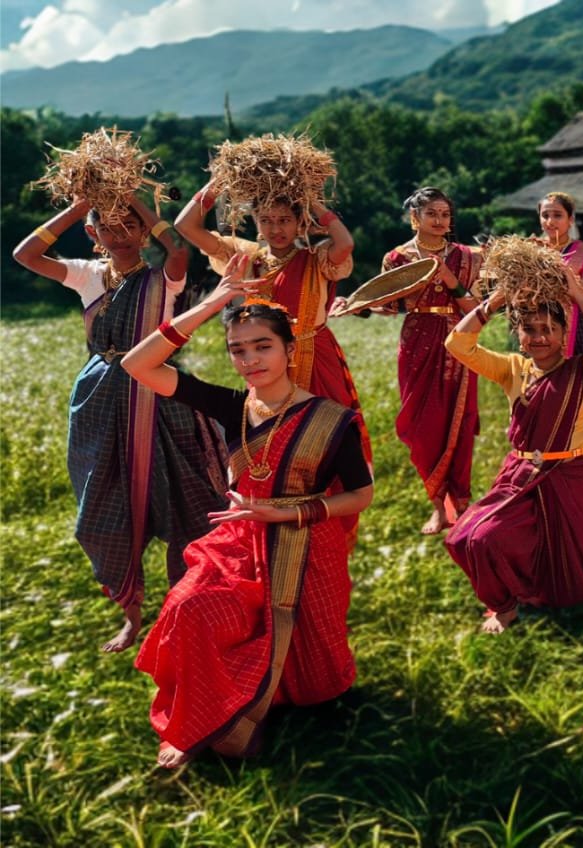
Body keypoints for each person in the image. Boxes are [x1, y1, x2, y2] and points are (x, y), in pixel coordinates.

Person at [120, 253, 373, 767]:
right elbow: (137, 365)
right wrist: (212, 303)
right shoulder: (231, 405)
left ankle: (269, 696)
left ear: (288, 348)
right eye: (238, 350)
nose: (250, 360)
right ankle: (203, 719)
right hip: (239, 546)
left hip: (306, 544)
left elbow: (362, 495)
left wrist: (287, 515)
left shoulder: (331, 420)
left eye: (262, 346)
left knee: (317, 680)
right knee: (190, 609)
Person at [12, 194, 227, 653]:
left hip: (161, 396)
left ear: (143, 230)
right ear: (92, 235)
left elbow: (178, 249)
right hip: (99, 399)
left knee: (187, 502)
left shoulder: (162, 279)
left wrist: (135, 202)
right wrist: (78, 207)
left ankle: (187, 607)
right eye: (106, 225)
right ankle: (132, 615)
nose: (120, 233)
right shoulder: (88, 275)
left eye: (128, 224)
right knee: (104, 508)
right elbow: (25, 255)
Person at [444, 243, 583, 633]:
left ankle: (540, 593)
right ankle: (503, 607)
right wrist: (496, 300)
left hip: (573, 474)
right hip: (522, 475)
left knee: (574, 579)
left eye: (549, 329)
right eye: (530, 329)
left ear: (563, 333)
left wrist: (576, 295)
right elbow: (457, 345)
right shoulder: (513, 369)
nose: (539, 337)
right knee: (471, 539)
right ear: (518, 334)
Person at [175, 177, 371, 463]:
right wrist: (217, 183)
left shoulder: (316, 258)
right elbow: (185, 226)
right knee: (272, 440)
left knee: (328, 437)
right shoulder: (244, 256)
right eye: (266, 220)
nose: (276, 229)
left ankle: (332, 504)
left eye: (284, 220)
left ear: (299, 222)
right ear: (255, 222)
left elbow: (345, 243)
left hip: (315, 356)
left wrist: (312, 201)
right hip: (265, 360)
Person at [380, 187, 483, 535]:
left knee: (461, 423)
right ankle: (438, 507)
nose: (439, 220)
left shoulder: (468, 257)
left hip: (459, 341)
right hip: (417, 344)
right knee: (423, 427)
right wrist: (357, 307)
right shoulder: (396, 259)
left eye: (445, 214)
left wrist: (450, 279)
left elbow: (475, 308)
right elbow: (389, 306)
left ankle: (463, 504)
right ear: (415, 218)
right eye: (431, 214)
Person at [534, 191, 583, 446]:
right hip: (538, 329)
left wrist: (559, 270)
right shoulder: (530, 251)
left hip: (576, 329)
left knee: (579, 387)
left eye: (557, 215)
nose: (550, 221)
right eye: (545, 215)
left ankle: (578, 440)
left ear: (571, 219)